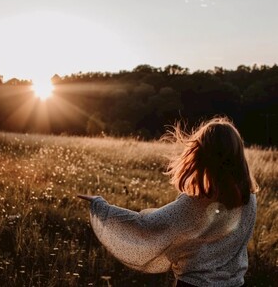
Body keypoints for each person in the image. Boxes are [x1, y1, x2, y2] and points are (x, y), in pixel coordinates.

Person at [78, 117, 259, 287]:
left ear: (203, 156)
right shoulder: (249, 200)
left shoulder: (195, 203)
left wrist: (101, 206)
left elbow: (145, 226)